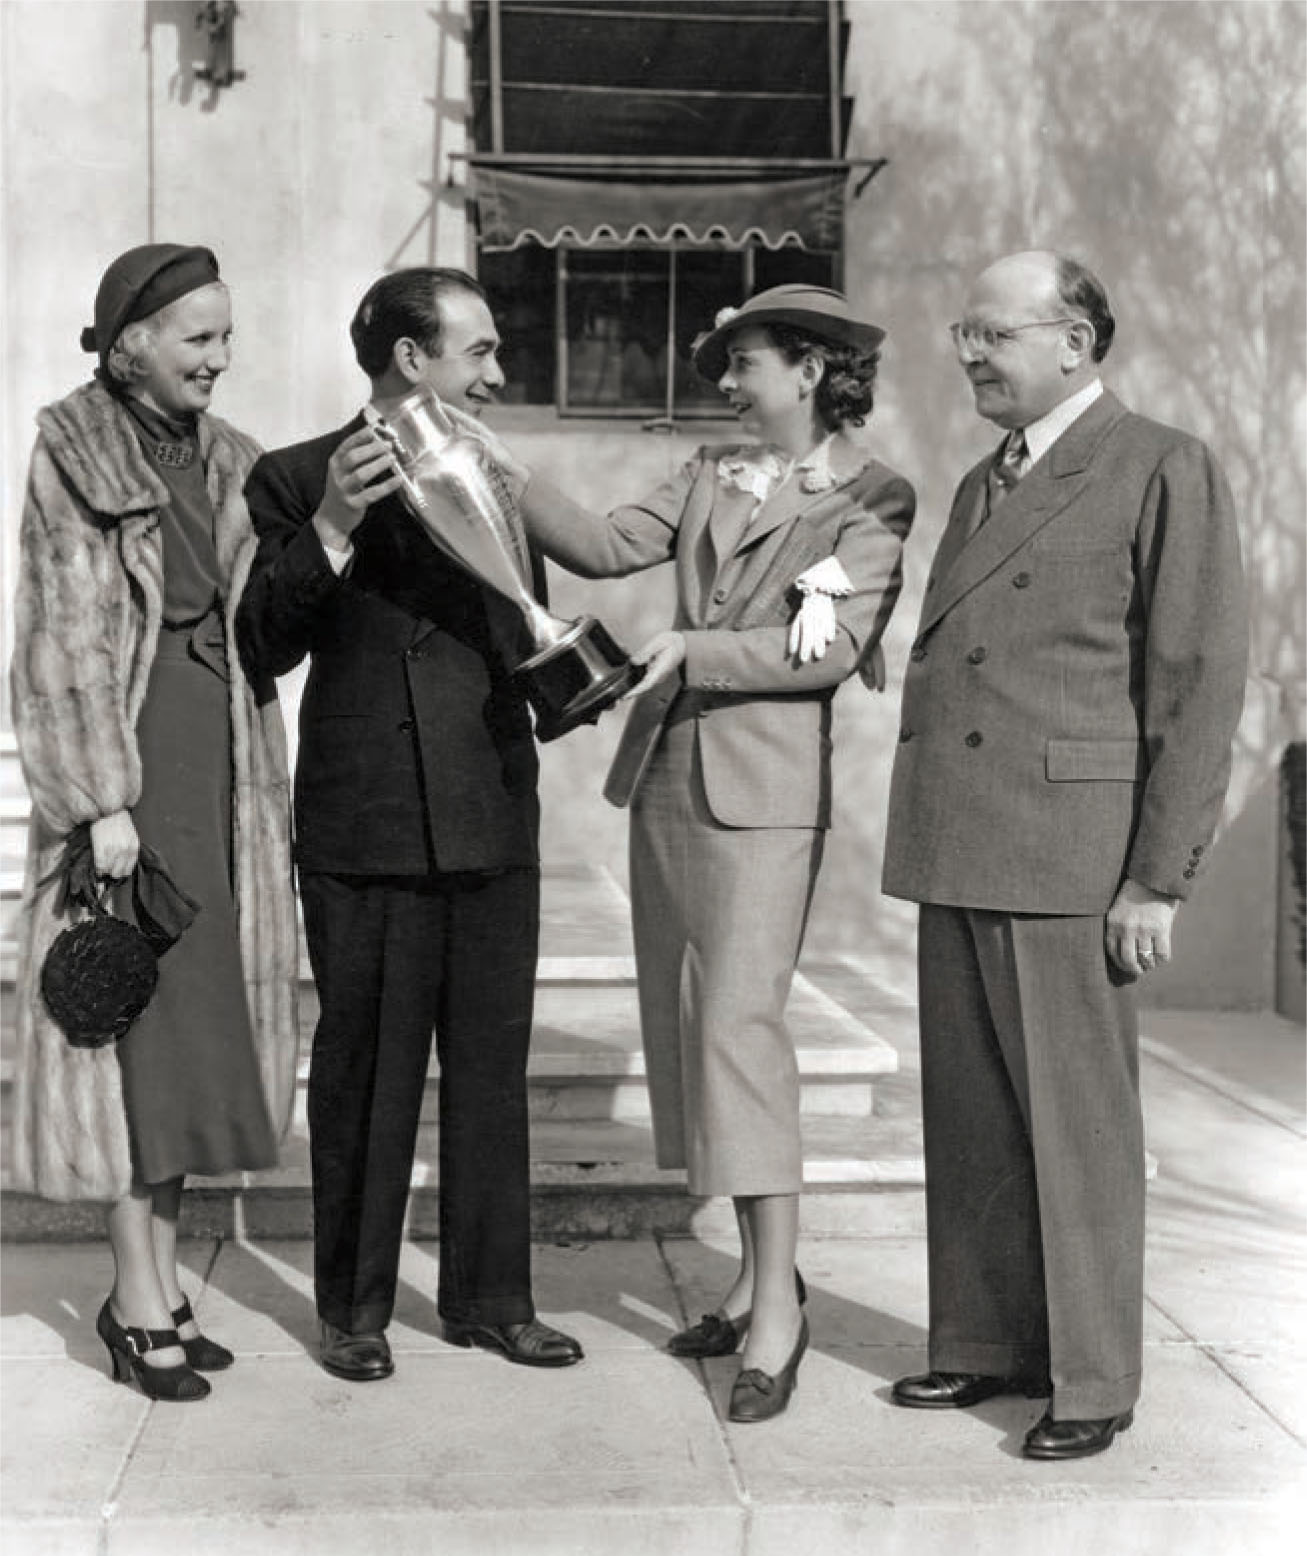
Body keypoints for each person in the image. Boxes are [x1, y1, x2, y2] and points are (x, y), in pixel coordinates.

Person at [500, 284, 915, 1422]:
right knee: (690, 1035)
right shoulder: (706, 472)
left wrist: (686, 645)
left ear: (812, 373)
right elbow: (595, 544)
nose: (727, 382)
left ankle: (778, 1308)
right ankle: (746, 1277)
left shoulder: (871, 495)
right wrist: (479, 462)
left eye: (747, 362)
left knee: (740, 1029)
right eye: (727, 363)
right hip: (669, 784)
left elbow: (816, 648)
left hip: (766, 798)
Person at [882, 250, 1247, 1459]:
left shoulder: (1157, 464)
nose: (970, 353)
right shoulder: (989, 474)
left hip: (1071, 850)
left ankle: (1091, 1373)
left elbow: (1195, 688)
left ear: (1074, 342)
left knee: (1078, 1126)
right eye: (963, 332)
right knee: (974, 1114)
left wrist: (1154, 875)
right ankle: (986, 1342)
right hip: (963, 837)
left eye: (992, 333)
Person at [234, 267, 582, 1381]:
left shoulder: (492, 469)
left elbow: (508, 622)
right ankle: (353, 1310)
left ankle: (492, 1299)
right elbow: (263, 642)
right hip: (366, 821)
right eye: (476, 349)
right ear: (408, 359)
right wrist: (336, 517)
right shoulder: (290, 476)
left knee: (491, 1070)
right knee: (364, 1074)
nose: (494, 369)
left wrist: (572, 676)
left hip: (488, 801)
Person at [9, 243, 300, 1401]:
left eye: (227, 337)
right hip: (136, 772)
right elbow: (60, 639)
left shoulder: (227, 457)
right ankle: (133, 1298)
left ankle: (161, 1282)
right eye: (199, 338)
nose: (221, 359)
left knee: (189, 1041)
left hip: (222, 762)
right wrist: (98, 799)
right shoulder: (73, 451)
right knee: (134, 1030)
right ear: (132, 340)